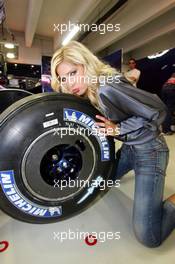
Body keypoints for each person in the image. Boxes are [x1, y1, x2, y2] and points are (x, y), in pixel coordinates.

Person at [51, 41, 175, 248]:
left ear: (86, 64)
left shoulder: (107, 87)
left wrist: (118, 129)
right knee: (99, 183)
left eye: (73, 72)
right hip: (129, 149)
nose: (69, 83)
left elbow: (159, 110)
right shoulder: (88, 90)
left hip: (150, 151)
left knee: (149, 237)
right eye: (63, 78)